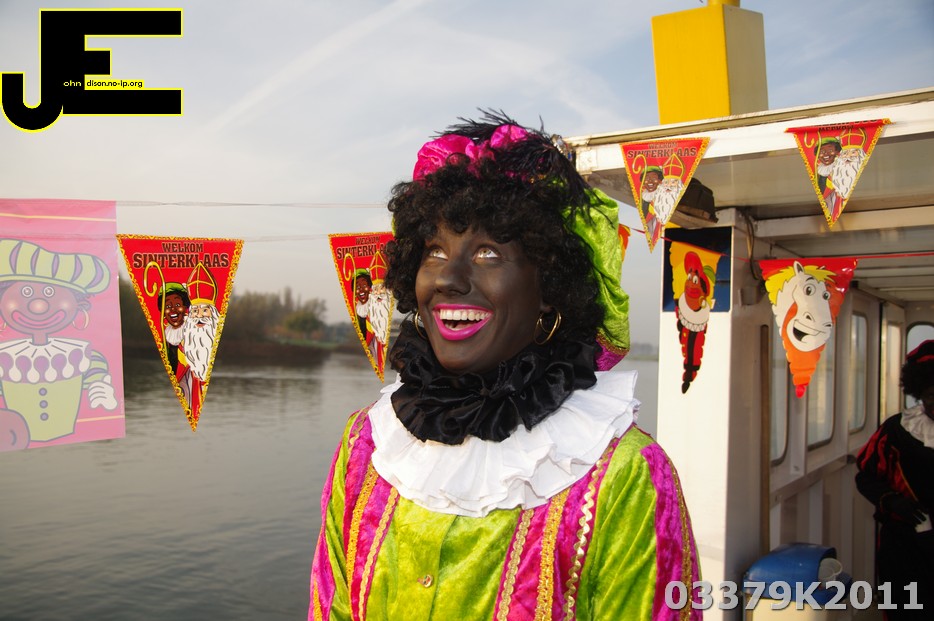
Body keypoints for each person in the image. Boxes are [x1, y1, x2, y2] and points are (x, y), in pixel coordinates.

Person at [308, 112, 701, 620]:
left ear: (549, 287)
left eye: (488, 254)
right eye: (434, 251)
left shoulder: (623, 475)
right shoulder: (366, 445)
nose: (448, 278)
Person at [856, 340, 934, 619]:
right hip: (905, 544)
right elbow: (866, 476)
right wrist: (892, 501)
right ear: (919, 393)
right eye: (931, 395)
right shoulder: (897, 430)